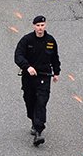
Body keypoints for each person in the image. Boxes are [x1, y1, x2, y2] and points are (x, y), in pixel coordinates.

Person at [14, 14, 61, 146]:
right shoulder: (27, 40)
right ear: (34, 26)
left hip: (44, 77)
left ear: (45, 25)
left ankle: (39, 131)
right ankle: (34, 121)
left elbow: (55, 58)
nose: (40, 28)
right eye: (38, 25)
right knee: (30, 101)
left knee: (41, 102)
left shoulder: (51, 41)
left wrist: (57, 72)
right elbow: (18, 56)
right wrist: (27, 67)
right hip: (29, 77)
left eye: (42, 25)